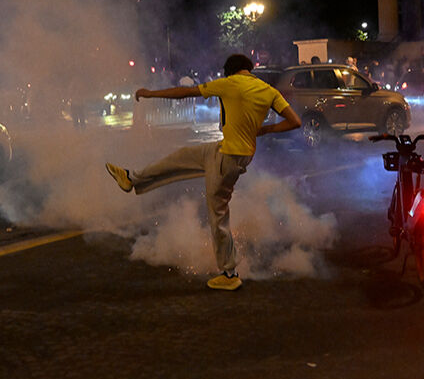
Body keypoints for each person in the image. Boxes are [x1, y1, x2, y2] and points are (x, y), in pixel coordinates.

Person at [105, 53, 302, 291]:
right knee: (180, 158)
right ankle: (131, 178)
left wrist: (150, 94)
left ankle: (229, 274)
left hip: (228, 157)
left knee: (218, 215)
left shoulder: (230, 83)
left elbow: (185, 92)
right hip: (231, 152)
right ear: (248, 69)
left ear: (230, 71)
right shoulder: (268, 90)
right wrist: (265, 130)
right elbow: (295, 122)